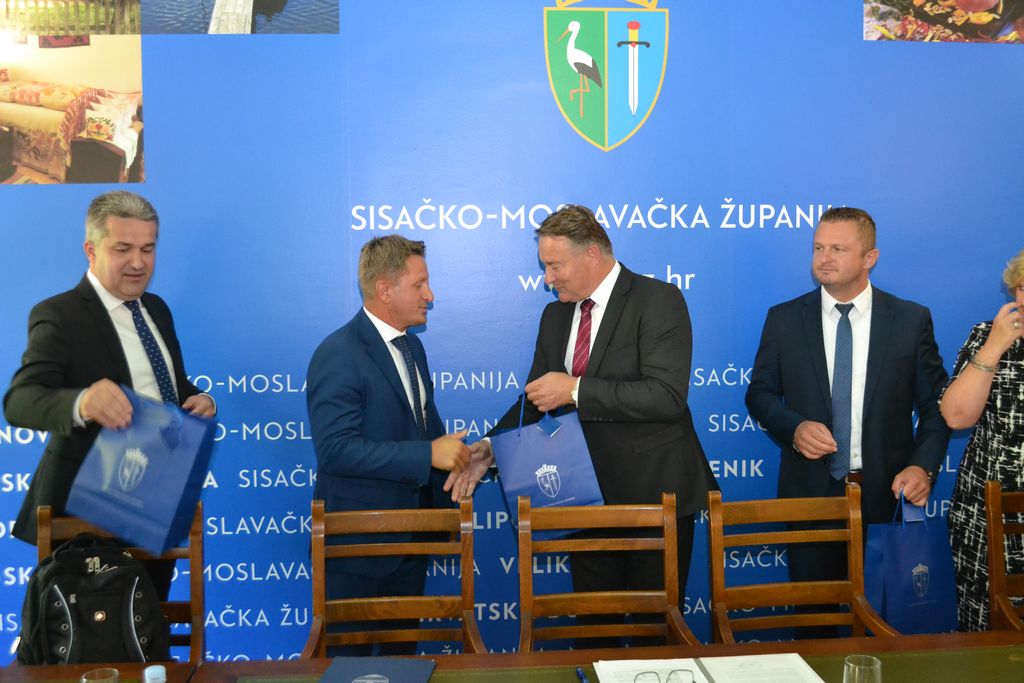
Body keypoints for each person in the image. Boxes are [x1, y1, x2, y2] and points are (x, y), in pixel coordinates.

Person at [457, 205, 716, 643]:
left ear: (592, 254)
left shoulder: (658, 300)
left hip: (655, 500)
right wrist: (491, 447)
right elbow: (537, 398)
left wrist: (576, 389)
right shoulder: (555, 315)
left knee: (656, 637)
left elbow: (666, 396)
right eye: (544, 267)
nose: (547, 279)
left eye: (555, 265)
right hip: (582, 497)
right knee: (595, 635)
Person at [745, 206, 950, 637]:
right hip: (810, 495)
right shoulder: (784, 319)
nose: (824, 258)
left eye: (838, 249)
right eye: (818, 247)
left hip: (886, 497)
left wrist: (922, 467)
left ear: (870, 257)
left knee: (884, 626)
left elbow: (937, 408)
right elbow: (760, 394)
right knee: (813, 626)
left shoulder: (909, 320)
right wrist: (794, 428)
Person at [4, 191, 216, 597]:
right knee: (94, 631)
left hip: (156, 501)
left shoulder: (157, 309)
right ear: (91, 250)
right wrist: (82, 402)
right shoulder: (60, 314)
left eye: (147, 249)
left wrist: (201, 399)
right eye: (123, 249)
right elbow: (20, 401)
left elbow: (170, 385)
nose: (138, 262)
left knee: (148, 623)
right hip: (86, 515)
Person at [305, 235, 472, 655]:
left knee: (404, 665)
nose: (430, 295)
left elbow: (425, 430)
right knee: (350, 669)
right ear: (384, 289)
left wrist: (460, 460)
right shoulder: (338, 353)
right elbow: (335, 450)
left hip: (411, 540)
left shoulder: (413, 346)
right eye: (419, 285)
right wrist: (428, 454)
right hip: (358, 548)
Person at [940, 247, 1024, 632]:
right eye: (1021, 288)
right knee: (986, 630)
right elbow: (956, 416)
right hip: (987, 513)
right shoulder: (986, 336)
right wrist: (995, 346)